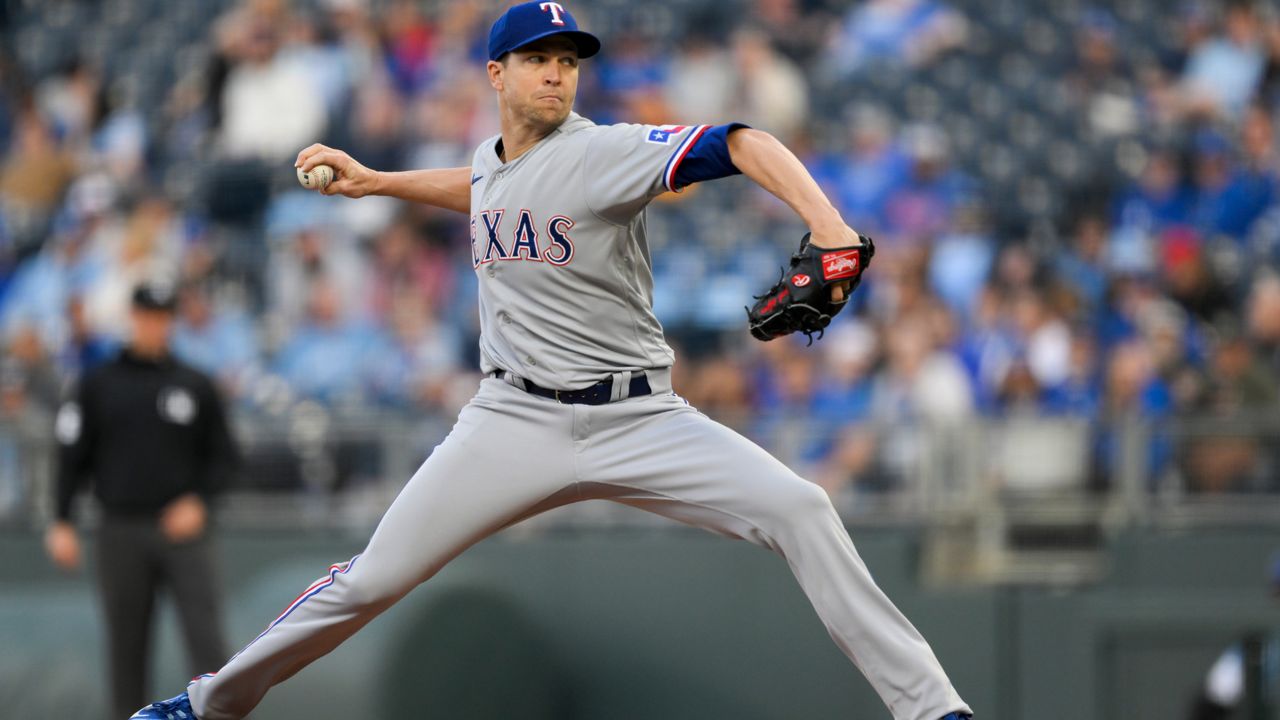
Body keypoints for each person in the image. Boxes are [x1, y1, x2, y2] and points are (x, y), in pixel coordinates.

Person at [133, 4, 973, 719]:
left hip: (639, 417)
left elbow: (742, 140)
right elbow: (487, 187)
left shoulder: (601, 151)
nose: (557, 74)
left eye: (567, 61)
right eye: (538, 59)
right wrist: (378, 181)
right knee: (370, 580)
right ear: (496, 74)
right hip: (512, 420)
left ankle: (933, 707)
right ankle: (208, 704)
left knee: (801, 509)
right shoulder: (495, 161)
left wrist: (830, 230)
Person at [45, 281, 238, 719]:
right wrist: (61, 519)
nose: (155, 326)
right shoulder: (98, 384)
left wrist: (200, 502)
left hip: (184, 530)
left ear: (172, 321)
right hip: (120, 528)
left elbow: (225, 458)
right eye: (147, 316)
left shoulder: (194, 383)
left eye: (163, 317)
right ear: (133, 318)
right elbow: (72, 453)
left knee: (208, 645)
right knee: (126, 646)